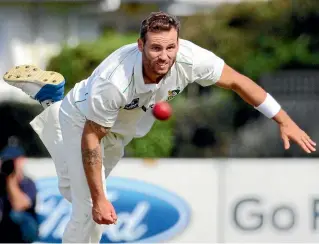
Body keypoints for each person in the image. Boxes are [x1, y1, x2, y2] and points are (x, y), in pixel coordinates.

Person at [2, 11, 316, 243]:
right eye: (155, 48)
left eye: (170, 47)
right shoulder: (116, 82)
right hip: (83, 123)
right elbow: (90, 140)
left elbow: (238, 81)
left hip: (118, 130)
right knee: (86, 209)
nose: (164, 56)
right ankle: (54, 103)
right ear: (140, 45)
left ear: (178, 44)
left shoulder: (192, 59)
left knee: (72, 190)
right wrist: (99, 199)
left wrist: (284, 120)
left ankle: (49, 98)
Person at [0, 137, 39, 243]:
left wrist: (11, 181)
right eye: (6, 160)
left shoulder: (28, 183)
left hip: (26, 231)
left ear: (21, 161)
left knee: (17, 214)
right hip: (4, 229)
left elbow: (20, 206)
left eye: (13, 160)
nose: (9, 164)